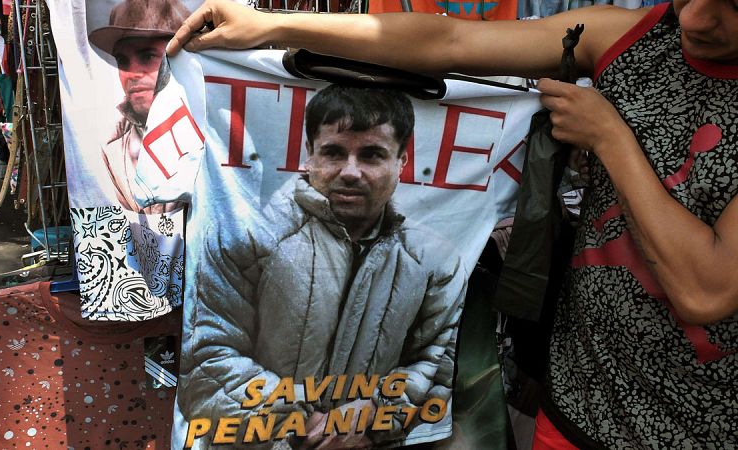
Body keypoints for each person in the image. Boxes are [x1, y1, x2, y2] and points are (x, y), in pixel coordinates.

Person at [168, 1, 738, 449]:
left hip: (697, 423)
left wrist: (609, 136)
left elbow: (706, 291)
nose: (695, 17)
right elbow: (451, 41)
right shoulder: (631, 35)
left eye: (734, 6)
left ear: (401, 161)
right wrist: (274, 25)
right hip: (576, 398)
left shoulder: (427, 255)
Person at [182, 85, 467, 449]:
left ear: (402, 162)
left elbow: (436, 362)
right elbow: (206, 358)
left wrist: (374, 414)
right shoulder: (246, 235)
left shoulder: (435, 262)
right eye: (333, 152)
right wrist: (300, 422)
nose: (350, 172)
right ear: (309, 154)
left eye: (372, 155)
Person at [88, 0, 189, 213]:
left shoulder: (211, 133)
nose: (131, 74)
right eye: (122, 61)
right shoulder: (113, 150)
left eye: (147, 56)